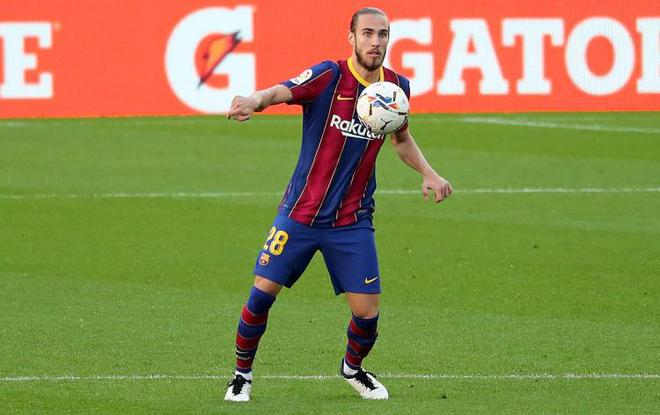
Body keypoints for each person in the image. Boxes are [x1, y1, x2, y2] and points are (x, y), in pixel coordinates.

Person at [223, 7, 452, 402]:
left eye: (382, 34)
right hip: (300, 213)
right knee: (261, 295)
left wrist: (428, 172)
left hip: (352, 220)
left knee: (367, 313)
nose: (375, 42)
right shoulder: (329, 76)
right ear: (352, 37)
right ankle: (241, 376)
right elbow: (280, 91)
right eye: (368, 33)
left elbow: (400, 139)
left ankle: (352, 368)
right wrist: (254, 100)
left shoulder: (396, 88)